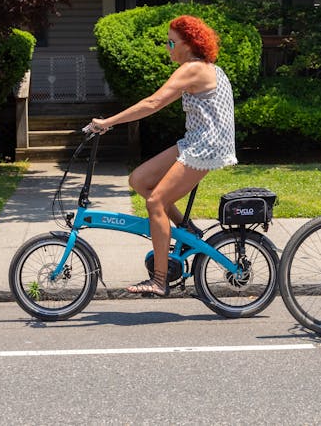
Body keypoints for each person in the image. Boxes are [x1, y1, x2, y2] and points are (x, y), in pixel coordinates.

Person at [87, 15, 237, 296]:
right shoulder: (202, 68)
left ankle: (159, 279)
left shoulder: (193, 68)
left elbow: (153, 103)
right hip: (195, 141)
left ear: (189, 43)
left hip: (206, 145)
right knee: (140, 181)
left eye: (171, 42)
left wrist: (108, 122)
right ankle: (187, 230)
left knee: (156, 201)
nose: (167, 48)